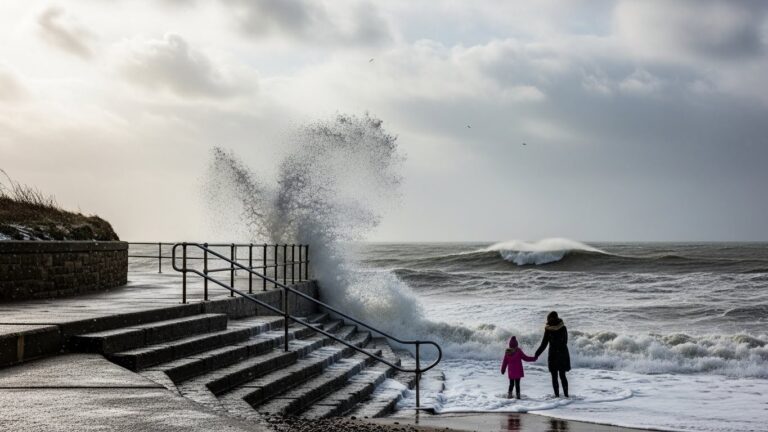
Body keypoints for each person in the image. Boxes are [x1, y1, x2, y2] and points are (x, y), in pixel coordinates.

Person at [534, 311, 571, 398]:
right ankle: (566, 396)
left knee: (555, 376)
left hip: (554, 355)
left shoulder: (549, 329)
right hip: (562, 353)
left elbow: (544, 344)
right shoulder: (563, 328)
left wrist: (537, 354)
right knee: (562, 376)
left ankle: (557, 397)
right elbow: (565, 341)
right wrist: (537, 354)